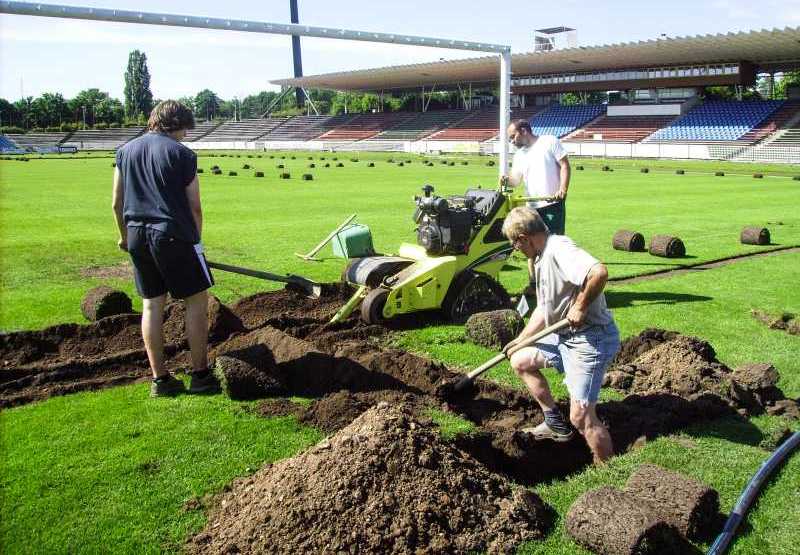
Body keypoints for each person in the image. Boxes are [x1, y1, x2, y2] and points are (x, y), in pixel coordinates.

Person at [112, 100, 219, 397]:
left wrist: (124, 237)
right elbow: (194, 207)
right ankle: (200, 376)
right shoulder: (182, 154)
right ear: (180, 125)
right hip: (173, 235)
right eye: (186, 129)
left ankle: (161, 380)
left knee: (151, 305)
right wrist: (195, 242)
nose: (187, 135)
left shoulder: (125, 151)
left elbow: (116, 203)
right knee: (196, 302)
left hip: (137, 235)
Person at [501, 207, 619, 464]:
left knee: (582, 417)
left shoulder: (559, 249)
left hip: (589, 338)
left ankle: (609, 470)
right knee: (520, 360)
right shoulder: (541, 257)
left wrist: (580, 306)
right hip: (564, 336)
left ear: (523, 238)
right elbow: (545, 309)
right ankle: (555, 423)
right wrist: (521, 340)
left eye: (514, 244)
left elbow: (599, 272)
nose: (516, 250)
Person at [501, 118, 571, 290]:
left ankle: (558, 285)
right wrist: (506, 180)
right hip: (531, 207)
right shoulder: (519, 155)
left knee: (553, 245)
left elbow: (565, 165)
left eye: (513, 136)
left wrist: (562, 189)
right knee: (529, 245)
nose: (512, 141)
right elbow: (516, 180)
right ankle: (534, 284)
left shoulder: (549, 141)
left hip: (552, 204)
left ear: (524, 131)